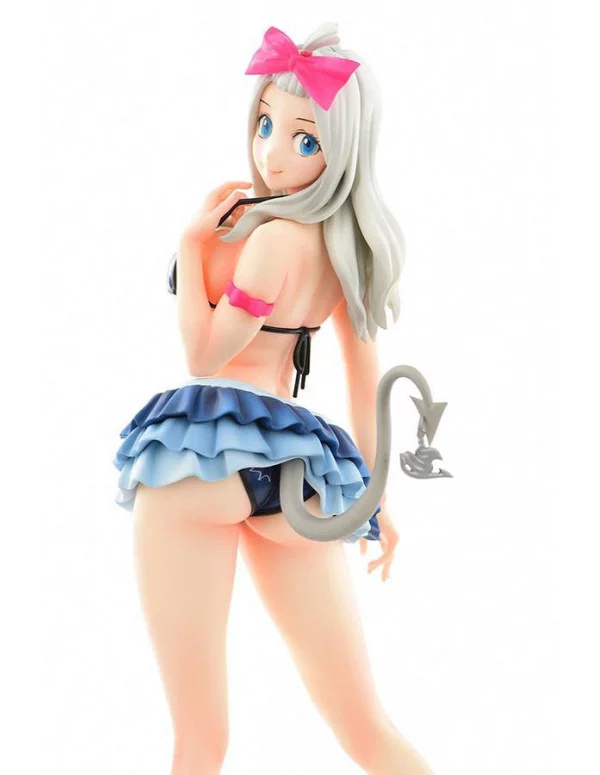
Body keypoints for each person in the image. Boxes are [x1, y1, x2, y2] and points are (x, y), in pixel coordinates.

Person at [114, 22, 437, 775]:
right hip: (297, 475)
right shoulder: (346, 249)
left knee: (201, 741)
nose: (272, 154)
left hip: (201, 461)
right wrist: (375, 503)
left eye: (304, 138)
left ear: (340, 150)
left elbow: (203, 355)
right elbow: (363, 382)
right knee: (367, 731)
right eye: (266, 125)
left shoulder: (268, 240)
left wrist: (192, 246)